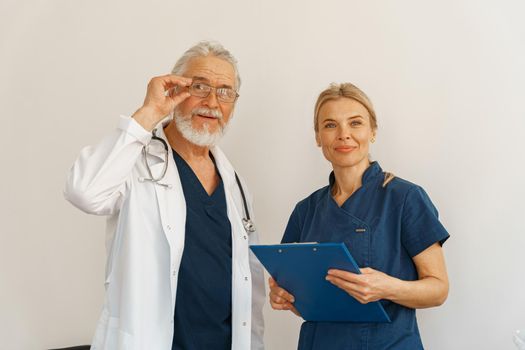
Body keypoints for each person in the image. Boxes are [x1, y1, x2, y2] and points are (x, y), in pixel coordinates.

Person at [64, 41, 265, 350]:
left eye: (225, 91)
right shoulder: (135, 162)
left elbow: (249, 287)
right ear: (175, 91)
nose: (212, 102)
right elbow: (84, 192)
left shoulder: (235, 185)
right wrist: (149, 112)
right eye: (200, 87)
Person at [269, 83, 450, 349]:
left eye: (355, 123)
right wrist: (286, 297)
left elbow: (438, 289)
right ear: (318, 137)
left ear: (372, 132)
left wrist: (386, 287)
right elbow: (306, 300)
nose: (344, 135)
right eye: (330, 125)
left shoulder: (405, 197)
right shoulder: (305, 210)